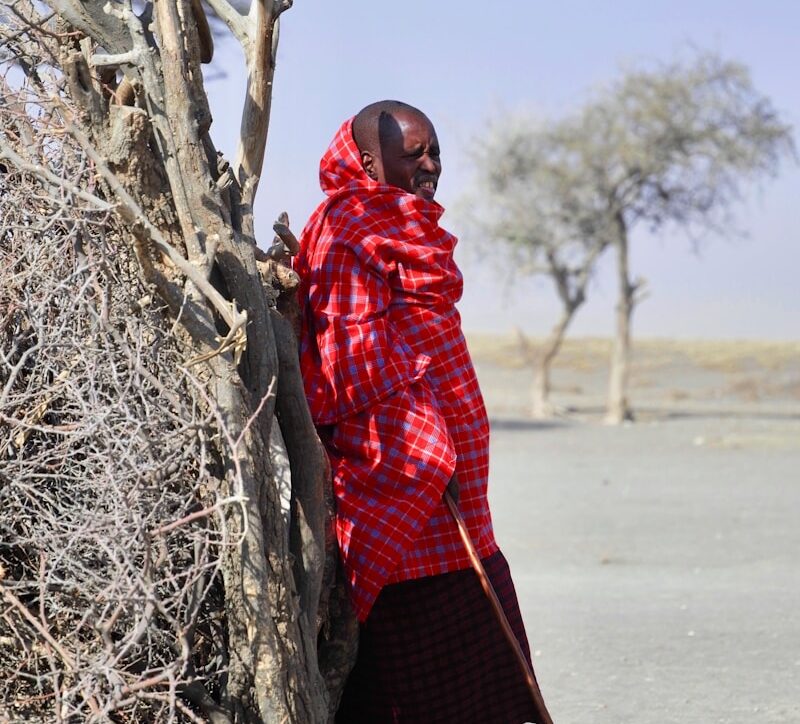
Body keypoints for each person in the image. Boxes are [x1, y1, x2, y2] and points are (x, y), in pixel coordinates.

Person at [295, 100, 546, 723]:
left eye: (436, 151)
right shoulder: (345, 227)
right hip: (406, 484)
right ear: (369, 160)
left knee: (488, 681)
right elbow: (346, 358)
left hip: (463, 510)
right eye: (416, 155)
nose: (432, 166)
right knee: (413, 692)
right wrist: (430, 448)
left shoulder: (410, 226)